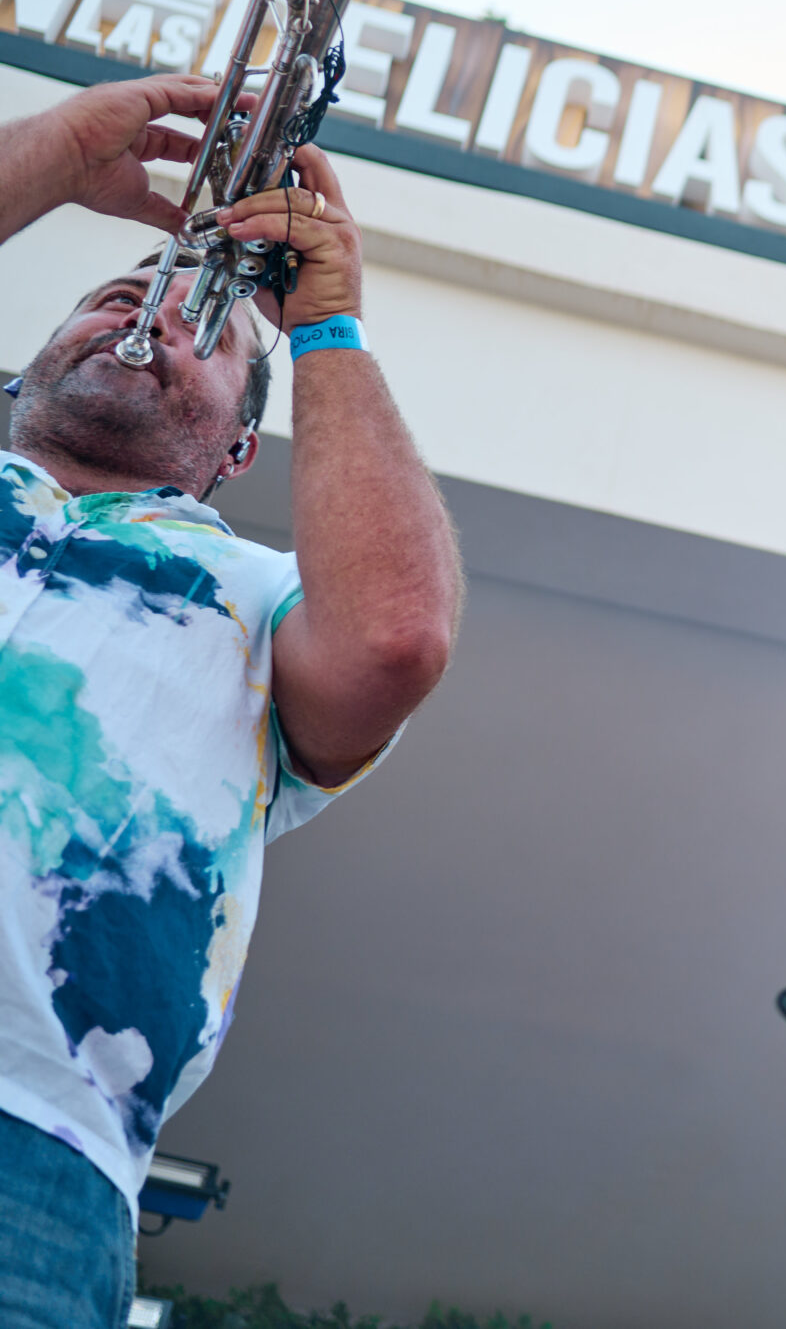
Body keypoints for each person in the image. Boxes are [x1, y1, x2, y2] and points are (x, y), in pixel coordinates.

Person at [0, 73, 463, 1329]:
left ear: (238, 451)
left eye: (205, 329)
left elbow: (396, 640)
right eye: (114, 296)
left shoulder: (262, 596)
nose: (146, 312)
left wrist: (329, 327)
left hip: (31, 1151)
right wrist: (61, 152)